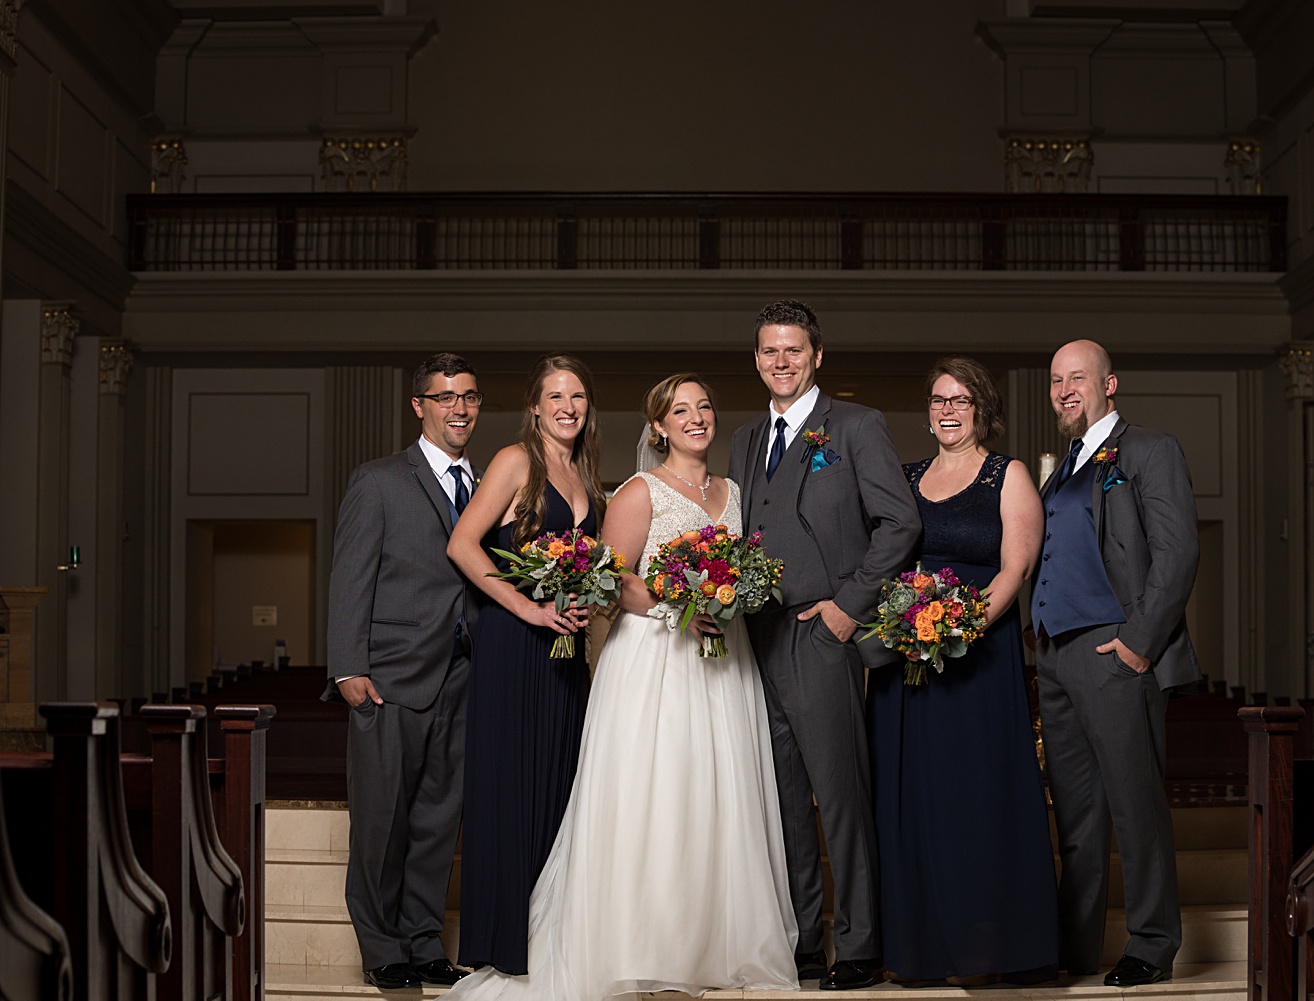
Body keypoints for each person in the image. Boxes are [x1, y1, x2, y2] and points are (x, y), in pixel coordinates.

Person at [441, 374, 798, 1001]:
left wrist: (727, 597)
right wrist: (679, 601)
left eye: (704, 407)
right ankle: (593, 941)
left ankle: (706, 940)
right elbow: (617, 577)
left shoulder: (724, 489)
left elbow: (597, 578)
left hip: (710, 655)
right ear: (656, 426)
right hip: (634, 649)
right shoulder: (625, 488)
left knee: (708, 793)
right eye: (679, 411)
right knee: (637, 794)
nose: (695, 418)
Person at [728, 299, 921, 991]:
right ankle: (804, 939)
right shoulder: (746, 439)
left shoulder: (857, 425)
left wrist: (848, 606)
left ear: (817, 357)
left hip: (822, 633)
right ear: (757, 359)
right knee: (781, 802)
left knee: (839, 795)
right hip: (757, 638)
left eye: (794, 351)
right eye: (770, 351)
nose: (782, 362)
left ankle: (861, 944)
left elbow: (899, 523)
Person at [867, 356, 1058, 986]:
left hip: (977, 656)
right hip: (907, 664)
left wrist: (962, 625)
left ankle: (990, 949)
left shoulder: (1009, 475)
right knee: (915, 800)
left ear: (982, 408)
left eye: (961, 400)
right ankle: (919, 949)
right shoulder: (906, 476)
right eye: (938, 400)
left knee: (977, 796)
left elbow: (1016, 567)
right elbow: (884, 558)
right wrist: (909, 629)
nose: (947, 411)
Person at [1033, 339, 1200, 988]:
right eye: (1056, 380)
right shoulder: (1062, 465)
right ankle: (1076, 946)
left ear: (1111, 384)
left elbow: (1178, 553)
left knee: (1136, 805)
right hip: (1054, 656)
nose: (1065, 388)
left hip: (1115, 650)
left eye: (1078, 377)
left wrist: (1138, 641)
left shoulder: (1149, 450)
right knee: (1076, 814)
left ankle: (1153, 942)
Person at [323, 352, 484, 989]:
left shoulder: (485, 481)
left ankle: (422, 940)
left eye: (469, 396)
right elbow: (349, 576)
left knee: (438, 819)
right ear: (419, 406)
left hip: (462, 677)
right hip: (387, 677)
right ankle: (380, 944)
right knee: (381, 820)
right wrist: (346, 668)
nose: (460, 408)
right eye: (445, 397)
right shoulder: (379, 479)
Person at [447, 354, 606, 976]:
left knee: (561, 782)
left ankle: (546, 933)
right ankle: (500, 941)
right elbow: (462, 543)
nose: (568, 407)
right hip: (516, 647)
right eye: (555, 397)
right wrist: (526, 610)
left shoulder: (584, 471)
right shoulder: (517, 460)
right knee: (511, 786)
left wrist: (586, 598)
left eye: (579, 397)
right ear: (535, 407)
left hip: (566, 652)